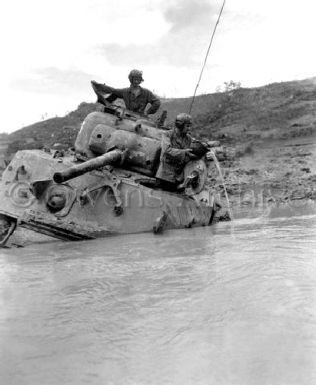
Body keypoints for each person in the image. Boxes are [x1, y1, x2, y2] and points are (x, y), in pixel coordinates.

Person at [91, 69, 160, 116]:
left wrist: (147, 112)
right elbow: (113, 90)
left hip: (141, 118)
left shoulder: (146, 92)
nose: (136, 81)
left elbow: (157, 102)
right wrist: (99, 86)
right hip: (128, 116)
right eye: (134, 79)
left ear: (140, 80)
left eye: (138, 79)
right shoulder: (125, 92)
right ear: (131, 79)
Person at [155, 113, 198, 187]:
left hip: (177, 179)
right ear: (180, 126)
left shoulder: (188, 139)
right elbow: (167, 150)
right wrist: (185, 152)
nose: (189, 129)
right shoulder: (167, 134)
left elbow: (194, 147)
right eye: (187, 126)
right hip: (164, 176)